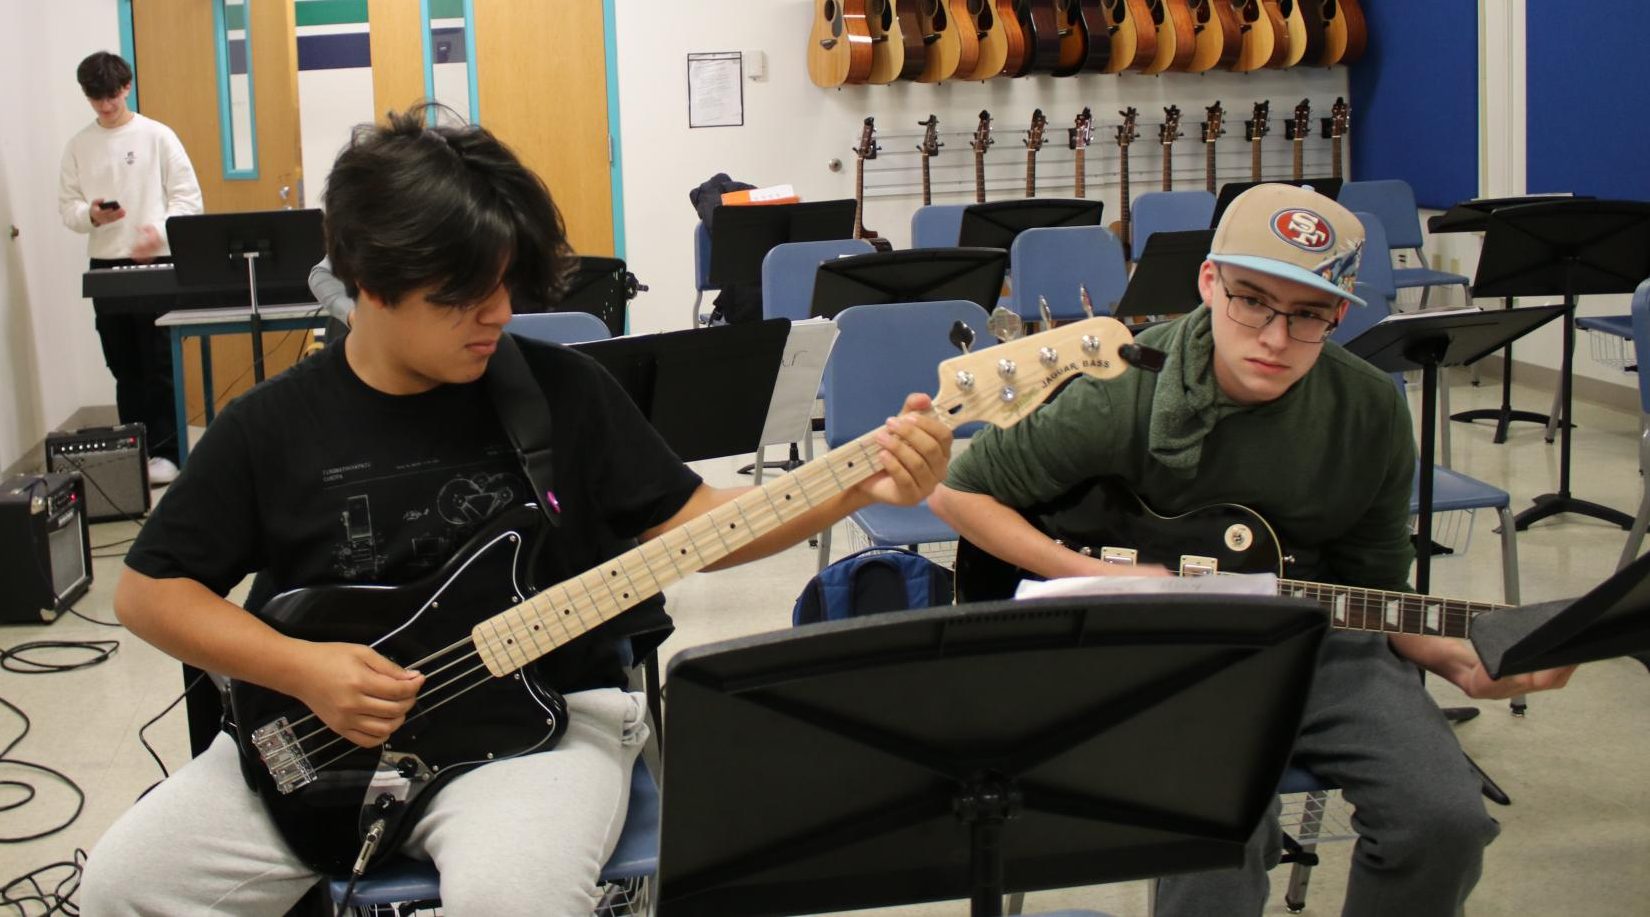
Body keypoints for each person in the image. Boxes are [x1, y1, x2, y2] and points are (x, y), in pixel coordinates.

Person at [77, 106, 953, 916]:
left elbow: (690, 521)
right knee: (124, 885)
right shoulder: (270, 424)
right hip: (320, 736)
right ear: (367, 284)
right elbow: (149, 593)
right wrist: (302, 671)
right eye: (461, 295)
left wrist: (857, 483)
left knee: (513, 899)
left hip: (541, 723)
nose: (497, 313)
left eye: (504, 283)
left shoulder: (561, 391)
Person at [930, 183, 1574, 917]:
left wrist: (1453, 652)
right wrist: (1099, 578)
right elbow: (958, 492)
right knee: (1222, 831)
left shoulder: (1368, 412)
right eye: (1252, 301)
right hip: (1169, 654)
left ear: (1339, 314)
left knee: (1445, 819)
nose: (1273, 336)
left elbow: (1373, 591)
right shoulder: (1124, 387)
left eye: (1307, 316)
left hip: (1318, 638)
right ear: (1209, 282)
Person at [58, 51, 203, 485]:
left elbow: (188, 199)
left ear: (126, 87)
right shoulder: (79, 146)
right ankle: (135, 454)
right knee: (123, 365)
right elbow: (68, 207)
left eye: (111, 96)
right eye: (95, 99)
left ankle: (169, 454)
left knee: (159, 363)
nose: (105, 106)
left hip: (156, 260)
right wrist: (91, 215)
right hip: (105, 262)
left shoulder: (158, 136)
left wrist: (155, 233)